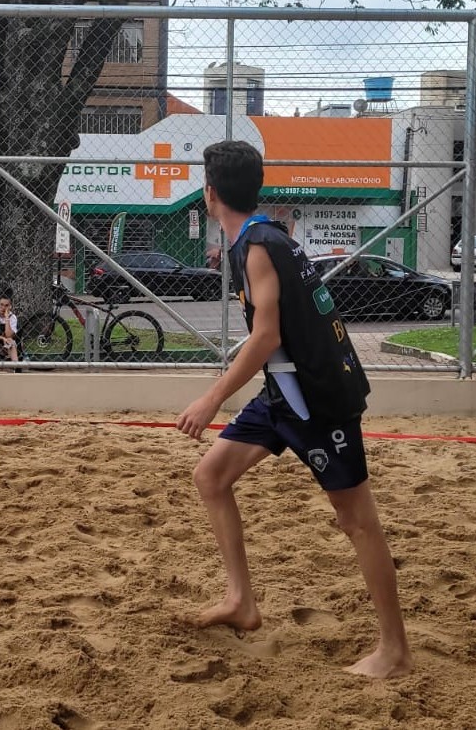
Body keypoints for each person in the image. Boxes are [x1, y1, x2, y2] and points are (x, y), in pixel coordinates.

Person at [175, 140, 411, 679]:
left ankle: (395, 651)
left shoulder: (258, 245)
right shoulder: (258, 236)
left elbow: (265, 337)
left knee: (357, 522)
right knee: (211, 475)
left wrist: (212, 397)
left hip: (319, 401)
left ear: (210, 193)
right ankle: (242, 602)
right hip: (285, 391)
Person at [0, 294, 21, 366]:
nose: (3, 308)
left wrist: (7, 318)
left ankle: (16, 367)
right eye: (1, 305)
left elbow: (9, 335)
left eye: (6, 305)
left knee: (11, 342)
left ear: (10, 306)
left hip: (5, 341)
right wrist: (2, 338)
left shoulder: (12, 317)